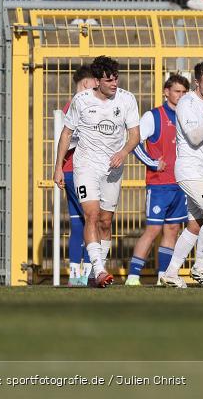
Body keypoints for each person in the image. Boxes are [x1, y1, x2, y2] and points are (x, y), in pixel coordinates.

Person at [52, 56, 140, 288]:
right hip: (86, 166)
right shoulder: (81, 101)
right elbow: (66, 134)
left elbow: (135, 135)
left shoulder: (127, 99)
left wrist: (123, 152)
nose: (114, 83)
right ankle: (99, 271)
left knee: (105, 221)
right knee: (91, 215)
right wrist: (58, 167)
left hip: (113, 168)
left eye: (116, 79)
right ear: (97, 81)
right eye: (108, 80)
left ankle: (95, 272)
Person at [159, 61, 203, 288]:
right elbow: (195, 137)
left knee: (196, 225)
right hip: (190, 171)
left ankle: (170, 272)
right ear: (197, 82)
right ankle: (199, 266)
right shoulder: (187, 103)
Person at [125, 74, 190, 286]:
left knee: (172, 230)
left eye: (184, 92)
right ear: (166, 92)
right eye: (177, 91)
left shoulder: (187, 116)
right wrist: (152, 163)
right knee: (153, 230)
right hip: (159, 185)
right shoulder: (153, 116)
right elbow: (134, 143)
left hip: (180, 184)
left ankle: (164, 276)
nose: (180, 96)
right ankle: (133, 276)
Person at [61, 64, 98, 286]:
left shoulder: (69, 106)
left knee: (78, 223)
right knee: (92, 220)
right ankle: (89, 272)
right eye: (96, 83)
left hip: (68, 171)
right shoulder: (80, 105)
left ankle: (75, 274)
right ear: (87, 83)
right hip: (79, 171)